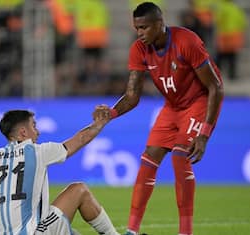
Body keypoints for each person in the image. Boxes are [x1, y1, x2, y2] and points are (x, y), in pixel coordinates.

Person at [94, 2, 224, 235]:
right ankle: (131, 231)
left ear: (159, 24)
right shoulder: (139, 49)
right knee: (149, 158)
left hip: (198, 102)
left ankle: (185, 232)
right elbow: (132, 95)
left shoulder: (187, 41)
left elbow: (215, 87)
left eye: (144, 27)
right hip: (172, 107)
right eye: (137, 28)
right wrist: (111, 114)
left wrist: (204, 134)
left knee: (179, 155)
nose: (140, 33)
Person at [0, 109, 120, 235]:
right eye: (34, 126)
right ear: (23, 132)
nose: (38, 132)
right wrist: (100, 123)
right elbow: (80, 139)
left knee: (69, 231)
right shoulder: (37, 152)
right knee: (79, 190)